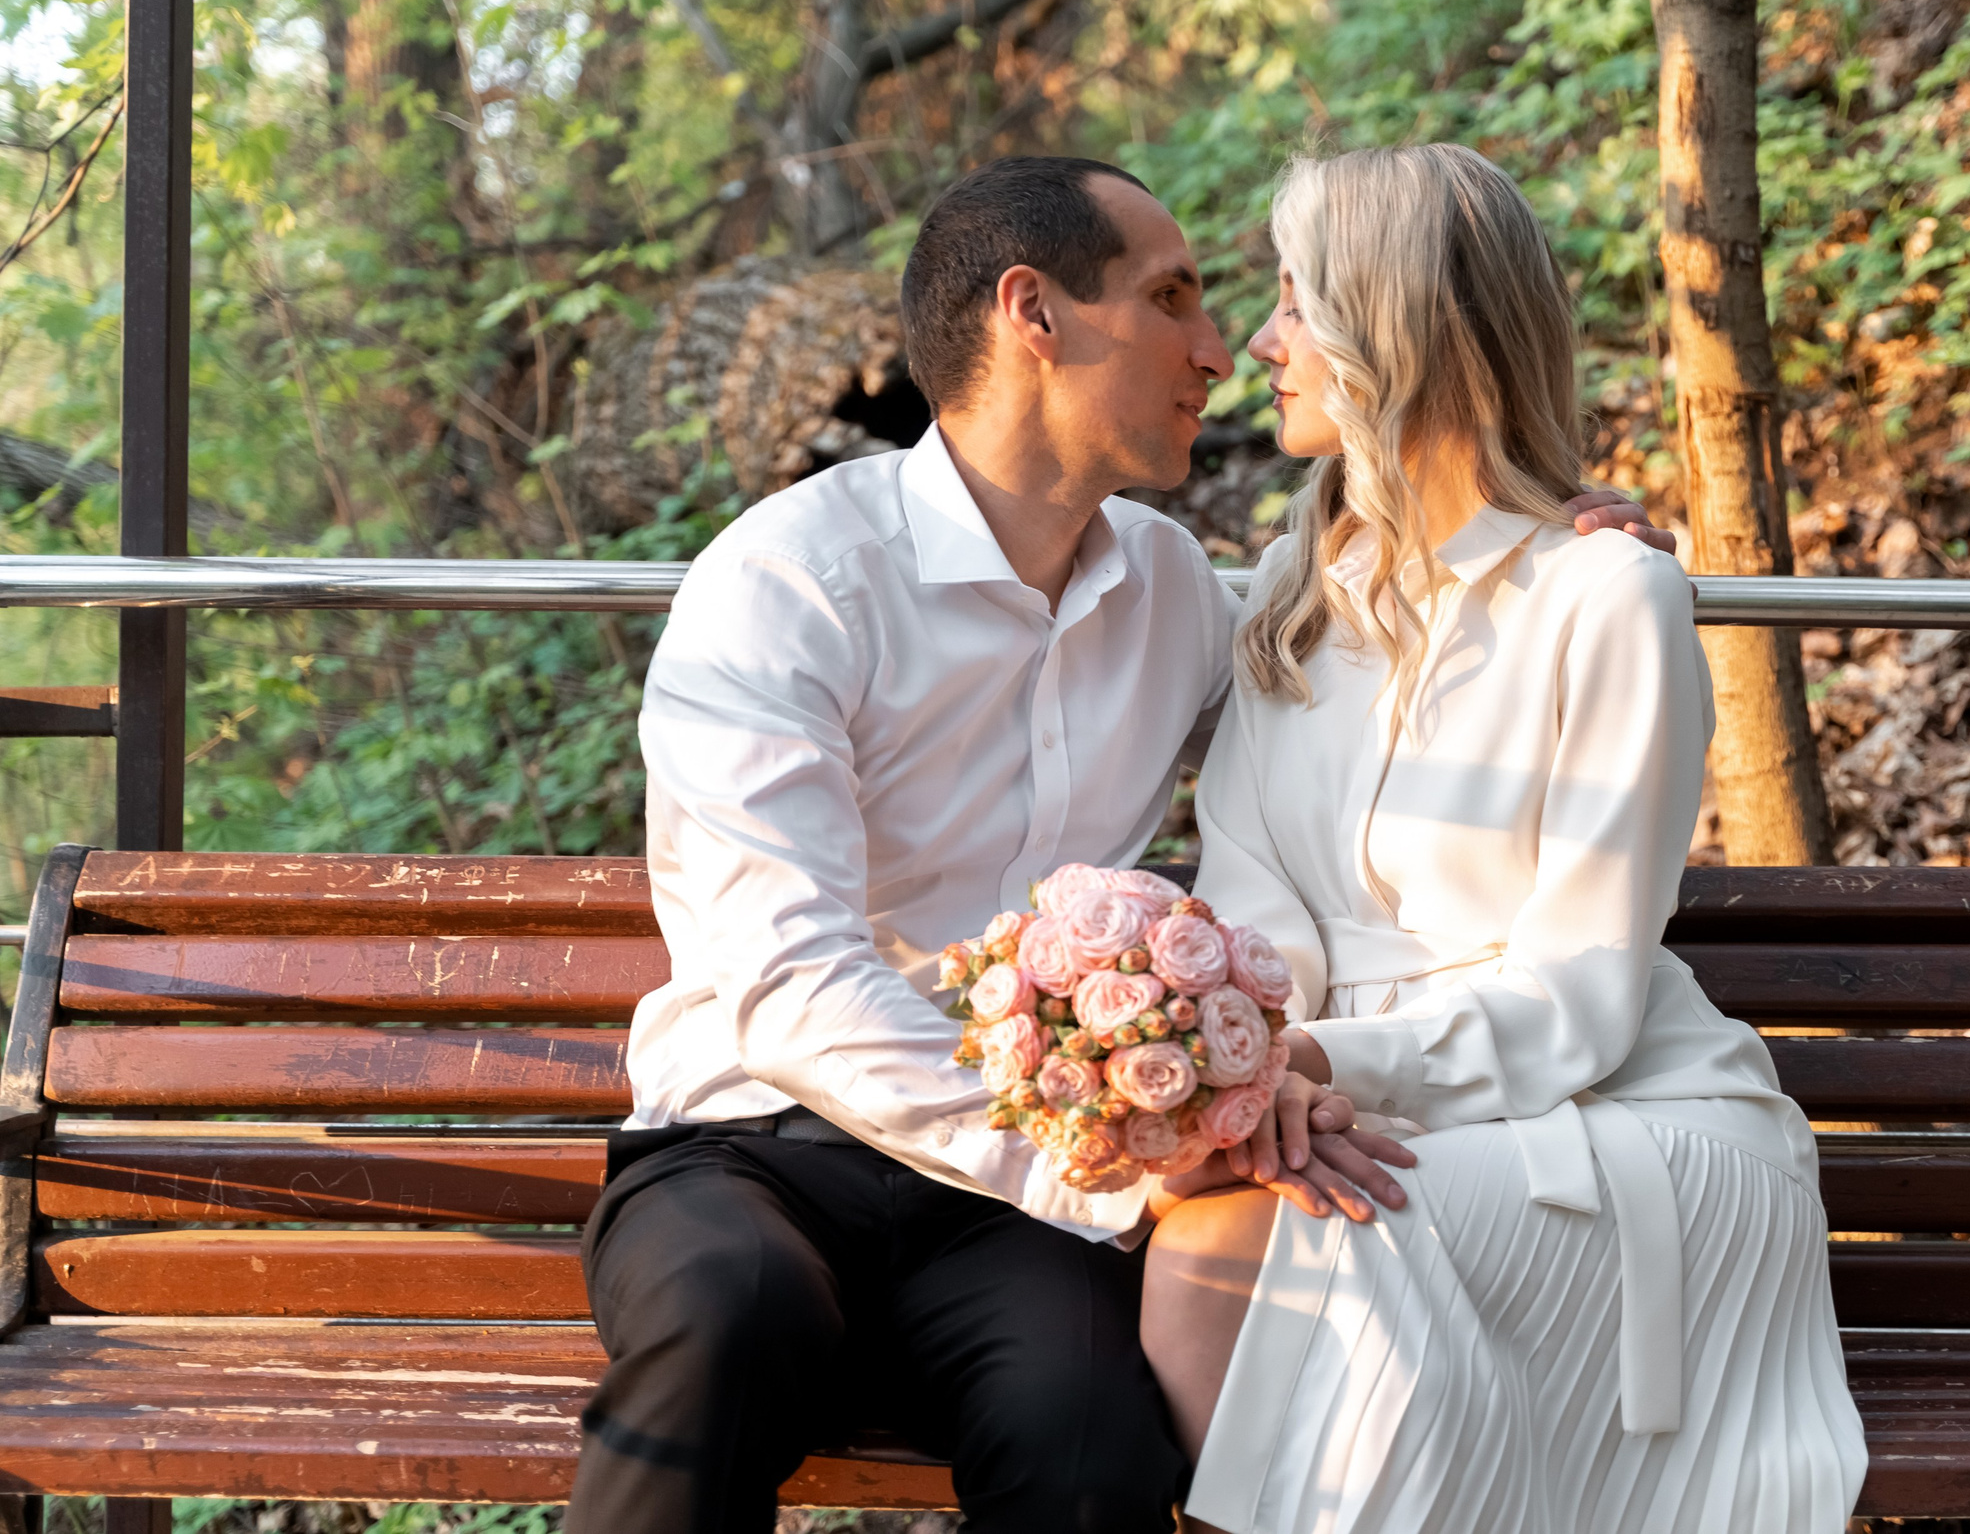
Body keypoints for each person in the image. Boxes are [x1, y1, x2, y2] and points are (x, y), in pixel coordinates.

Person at [567, 154, 1670, 1534]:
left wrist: (1538, 540)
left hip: (1013, 1213)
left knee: (1095, 1445)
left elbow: (1364, 695)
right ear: (1035, 314)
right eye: (1172, 299)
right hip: (755, 1148)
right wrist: (1120, 1160)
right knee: (732, 1321)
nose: (1220, 352)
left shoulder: (1173, 595)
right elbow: (788, 988)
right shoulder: (788, 585)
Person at [1143, 145, 1869, 1534]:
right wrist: (1258, 1067)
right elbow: (1254, 904)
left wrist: (1320, 1066)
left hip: (1612, 1115)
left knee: (1219, 1265)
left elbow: (1583, 995)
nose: (1260, 342)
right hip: (1339, 1105)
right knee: (1188, 1240)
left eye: (1297, 300)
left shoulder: (1604, 598)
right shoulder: (1295, 598)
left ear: (1394, 326)